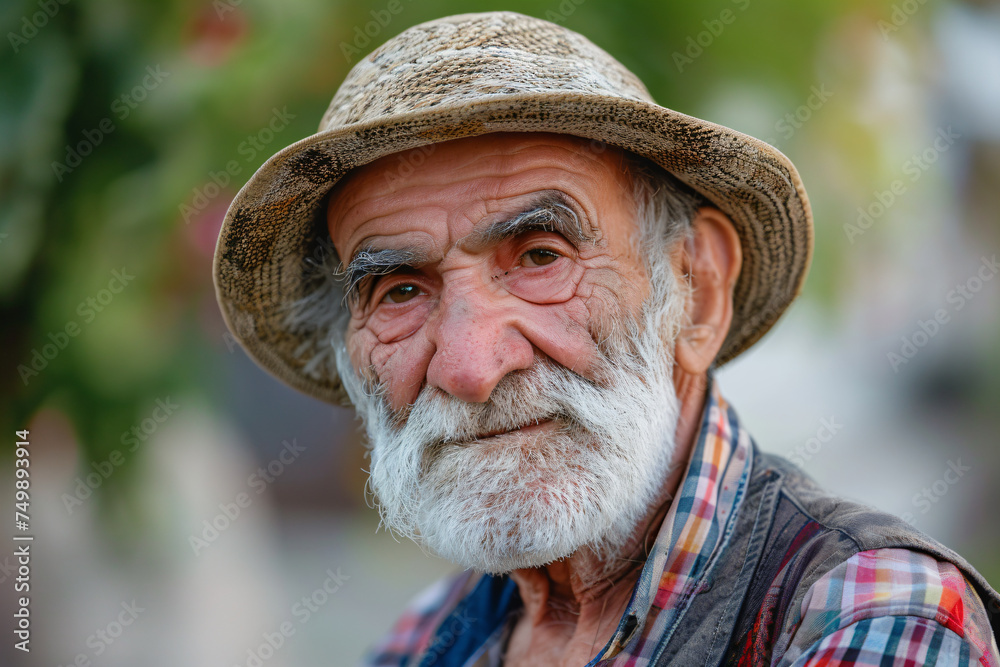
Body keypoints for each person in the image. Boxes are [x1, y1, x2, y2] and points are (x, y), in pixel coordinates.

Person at [214, 11, 1000, 666]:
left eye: (541, 257)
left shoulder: (864, 613)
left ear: (697, 289)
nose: (470, 366)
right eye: (401, 290)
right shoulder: (430, 640)